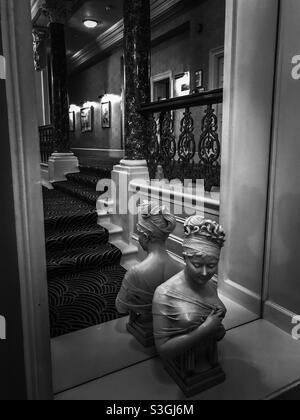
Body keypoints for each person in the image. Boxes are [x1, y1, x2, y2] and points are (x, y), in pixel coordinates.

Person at [153, 216, 226, 381]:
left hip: (206, 361)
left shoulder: (210, 285)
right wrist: (206, 329)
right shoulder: (164, 293)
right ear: (185, 258)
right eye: (198, 265)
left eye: (212, 265)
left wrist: (217, 330)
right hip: (184, 367)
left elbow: (217, 329)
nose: (205, 273)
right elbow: (164, 349)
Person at [116, 202, 182, 346]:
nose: (139, 238)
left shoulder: (135, 273)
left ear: (145, 236)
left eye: (139, 234)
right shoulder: (180, 269)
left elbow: (120, 307)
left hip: (145, 325)